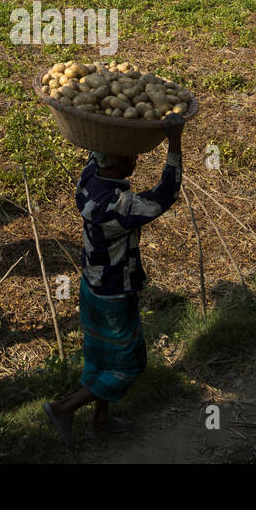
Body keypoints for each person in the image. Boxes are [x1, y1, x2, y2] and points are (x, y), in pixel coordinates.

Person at [43, 114, 183, 446]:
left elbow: (97, 152)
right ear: (121, 161)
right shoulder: (121, 205)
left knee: (100, 356)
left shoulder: (88, 183)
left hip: (91, 284)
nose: (136, 159)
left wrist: (111, 128)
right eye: (132, 155)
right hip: (115, 291)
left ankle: (100, 418)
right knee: (127, 363)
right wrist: (174, 141)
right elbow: (166, 193)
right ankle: (64, 408)